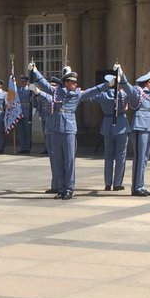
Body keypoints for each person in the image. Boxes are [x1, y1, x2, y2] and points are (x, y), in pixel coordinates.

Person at [29, 63, 103, 199]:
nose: (74, 84)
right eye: (71, 82)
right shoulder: (58, 92)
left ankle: (69, 188)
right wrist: (34, 71)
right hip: (56, 129)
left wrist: (108, 84)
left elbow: (94, 91)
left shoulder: (77, 95)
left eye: (75, 82)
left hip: (69, 130)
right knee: (58, 160)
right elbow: (44, 84)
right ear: (66, 83)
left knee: (69, 161)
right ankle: (61, 189)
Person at [120, 66, 150, 197]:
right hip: (139, 127)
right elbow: (127, 87)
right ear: (147, 83)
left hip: (147, 127)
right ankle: (136, 187)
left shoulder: (147, 94)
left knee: (145, 158)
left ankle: (141, 184)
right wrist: (121, 73)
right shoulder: (137, 92)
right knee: (140, 157)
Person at [91, 71, 130, 191]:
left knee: (108, 155)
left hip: (107, 124)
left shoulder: (103, 95)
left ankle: (108, 183)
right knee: (120, 155)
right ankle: (117, 183)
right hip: (121, 124)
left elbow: (91, 97)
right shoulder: (122, 94)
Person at [16, 75, 33, 154]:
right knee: (21, 131)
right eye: (21, 82)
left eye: (23, 82)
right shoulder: (18, 90)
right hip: (19, 113)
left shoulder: (30, 90)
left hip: (27, 113)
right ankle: (23, 147)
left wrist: (33, 112)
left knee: (27, 131)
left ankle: (27, 147)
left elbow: (33, 102)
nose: (22, 83)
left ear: (26, 82)